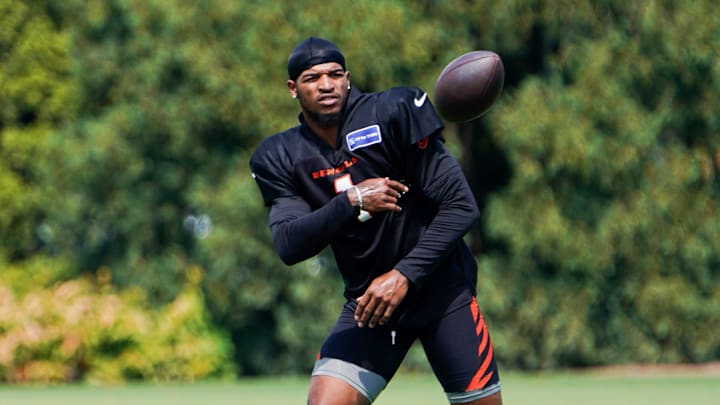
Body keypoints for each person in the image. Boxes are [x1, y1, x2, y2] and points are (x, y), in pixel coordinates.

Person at [250, 37, 502, 405]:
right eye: (312, 78)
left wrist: (404, 275)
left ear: (348, 79)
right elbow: (289, 244)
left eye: (335, 74)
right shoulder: (281, 155)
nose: (326, 85)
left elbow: (461, 206)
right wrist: (349, 201)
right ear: (293, 88)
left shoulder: (393, 111)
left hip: (443, 294)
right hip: (370, 305)